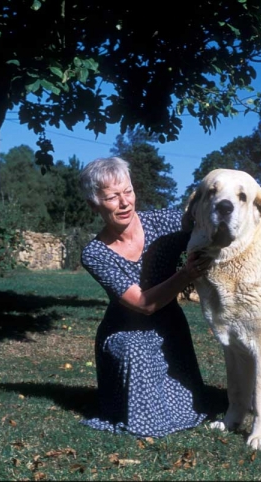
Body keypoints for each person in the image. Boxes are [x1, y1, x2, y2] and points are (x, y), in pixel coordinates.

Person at [78, 156, 211, 438]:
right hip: (125, 332)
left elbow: (204, 221)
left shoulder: (164, 222)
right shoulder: (95, 253)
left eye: (128, 192)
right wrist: (186, 275)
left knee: (190, 408)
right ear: (94, 205)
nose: (124, 202)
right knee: (136, 348)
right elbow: (143, 304)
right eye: (112, 197)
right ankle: (135, 411)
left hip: (170, 331)